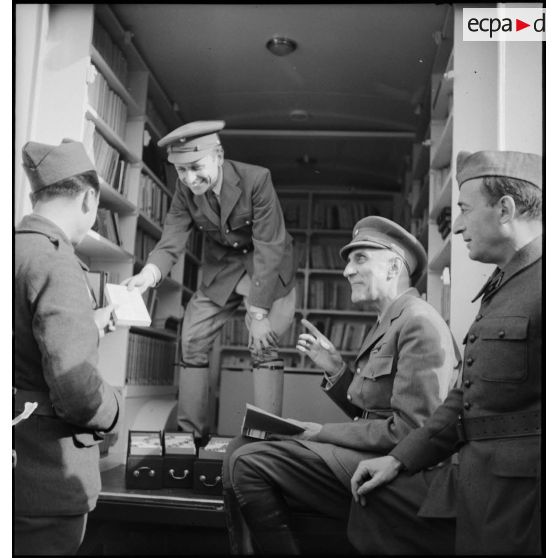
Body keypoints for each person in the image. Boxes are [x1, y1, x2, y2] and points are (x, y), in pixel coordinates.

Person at [224, 216, 461, 554]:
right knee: (239, 445)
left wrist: (316, 431)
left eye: (359, 258)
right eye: (348, 260)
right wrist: (336, 369)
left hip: (396, 467)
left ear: (394, 267)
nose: (347, 270)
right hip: (368, 451)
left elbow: (411, 433)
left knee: (248, 462)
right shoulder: (391, 320)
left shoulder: (418, 323)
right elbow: (372, 411)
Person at [350, 150, 542, 555]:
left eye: (465, 210)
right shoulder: (505, 283)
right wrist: (400, 460)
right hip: (477, 480)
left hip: (523, 498)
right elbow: (465, 400)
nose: (456, 226)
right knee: (374, 501)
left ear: (505, 209)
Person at [122, 120, 296, 442]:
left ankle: (268, 442)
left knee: (263, 345)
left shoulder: (257, 179)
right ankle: (192, 438)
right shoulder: (185, 191)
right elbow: (172, 237)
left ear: (218, 155)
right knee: (191, 339)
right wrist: (148, 276)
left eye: (195, 167)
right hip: (225, 271)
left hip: (267, 271)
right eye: (181, 171)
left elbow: (270, 247)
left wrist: (257, 314)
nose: (189, 179)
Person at [14, 139, 122, 555]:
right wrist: (115, 407)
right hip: (44, 481)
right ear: (89, 198)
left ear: (35, 196)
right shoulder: (57, 261)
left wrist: (87, 327)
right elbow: (77, 393)